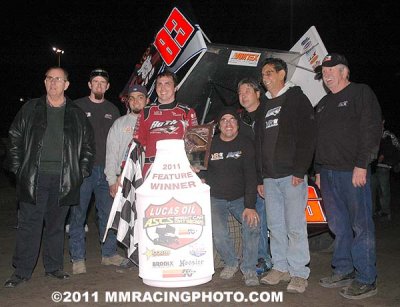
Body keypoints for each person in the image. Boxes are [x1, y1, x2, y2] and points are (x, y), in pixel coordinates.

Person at [4, 67, 95, 288]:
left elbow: (88, 147)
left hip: (63, 179)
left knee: (55, 225)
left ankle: (53, 267)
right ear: (45, 83)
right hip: (34, 177)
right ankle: (22, 271)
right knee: (29, 225)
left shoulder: (76, 113)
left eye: (58, 79)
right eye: (50, 79)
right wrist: (19, 169)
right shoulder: (30, 108)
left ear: (66, 84)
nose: (53, 83)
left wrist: (79, 173)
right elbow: (14, 138)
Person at [314, 53, 382, 299]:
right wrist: (318, 170)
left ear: (345, 72)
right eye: (324, 72)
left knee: (360, 225)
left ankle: (366, 278)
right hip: (328, 174)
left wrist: (362, 164)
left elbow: (371, 128)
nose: (327, 75)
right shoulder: (322, 103)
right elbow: (318, 140)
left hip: (353, 172)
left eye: (332, 70)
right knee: (338, 225)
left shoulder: (361, 93)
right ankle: (343, 269)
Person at [254, 57, 316, 294]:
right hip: (269, 178)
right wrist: (260, 178)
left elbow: (308, 136)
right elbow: (260, 142)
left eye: (269, 72)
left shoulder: (297, 98)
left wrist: (300, 170)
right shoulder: (264, 106)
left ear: (282, 74)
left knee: (295, 226)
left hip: (292, 175)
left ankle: (299, 272)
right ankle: (280, 267)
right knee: (275, 225)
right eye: (263, 74)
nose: (265, 78)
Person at [68, 68, 126, 275]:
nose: (99, 85)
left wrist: (118, 172)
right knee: (78, 215)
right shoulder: (77, 106)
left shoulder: (113, 109)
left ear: (108, 87)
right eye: (96, 82)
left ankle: (108, 254)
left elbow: (119, 143)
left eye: (103, 82)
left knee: (108, 214)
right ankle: (77, 258)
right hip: (83, 171)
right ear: (89, 85)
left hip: (107, 172)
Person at [202, 107, 260, 287]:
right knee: (219, 233)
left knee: (252, 224)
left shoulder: (246, 143)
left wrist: (250, 206)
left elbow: (252, 176)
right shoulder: (209, 144)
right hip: (215, 198)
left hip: (239, 197)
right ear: (218, 125)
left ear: (237, 124)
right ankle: (231, 262)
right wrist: (198, 174)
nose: (228, 123)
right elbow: (198, 168)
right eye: (224, 120)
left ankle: (249, 268)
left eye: (232, 120)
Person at [132, 70, 198, 177]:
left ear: (176, 87)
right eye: (159, 84)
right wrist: (124, 171)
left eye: (167, 84)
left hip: (179, 168)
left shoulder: (187, 112)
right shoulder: (146, 112)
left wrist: (197, 165)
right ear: (155, 88)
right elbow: (136, 144)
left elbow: (196, 144)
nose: (163, 88)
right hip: (152, 169)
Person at [237, 78, 272, 275]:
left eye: (247, 92)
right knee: (257, 218)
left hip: (268, 176)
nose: (243, 96)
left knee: (266, 219)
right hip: (248, 178)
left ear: (258, 93)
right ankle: (260, 256)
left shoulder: (268, 113)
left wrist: (262, 179)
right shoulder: (239, 119)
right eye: (240, 93)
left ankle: (264, 258)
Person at [105, 85, 149, 198]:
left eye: (140, 97)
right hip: (124, 179)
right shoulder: (119, 123)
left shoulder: (155, 122)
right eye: (132, 98)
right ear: (128, 101)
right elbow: (111, 154)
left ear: (147, 100)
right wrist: (112, 181)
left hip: (149, 179)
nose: (135, 101)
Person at [371, 118, 400, 221]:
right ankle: (372, 212)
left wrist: (384, 156)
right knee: (371, 190)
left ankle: (385, 212)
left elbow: (394, 149)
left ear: (383, 121)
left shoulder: (387, 135)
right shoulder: (372, 134)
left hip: (384, 167)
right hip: (372, 167)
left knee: (383, 191)